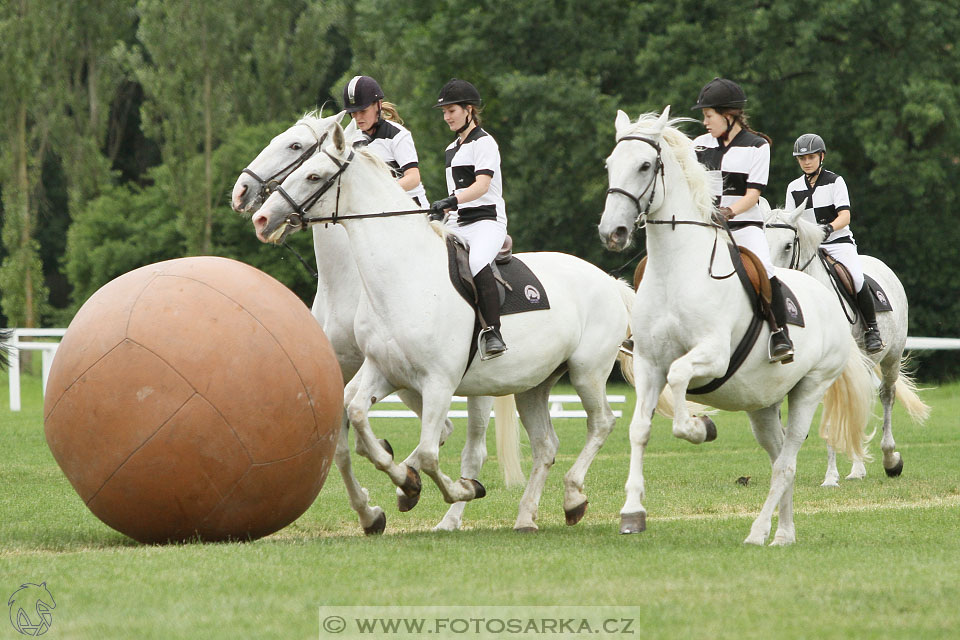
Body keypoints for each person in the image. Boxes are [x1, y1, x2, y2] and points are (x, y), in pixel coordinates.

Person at [691, 77, 795, 363]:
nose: (704, 122)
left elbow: (753, 195)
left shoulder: (758, 146)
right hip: (707, 227)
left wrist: (729, 212)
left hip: (743, 226)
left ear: (728, 115)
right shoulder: (699, 145)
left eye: (708, 115)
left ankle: (779, 333)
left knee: (765, 269)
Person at [429, 78, 508, 358]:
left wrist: (451, 200)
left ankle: (492, 331)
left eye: (451, 111)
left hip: (487, 221)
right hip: (458, 222)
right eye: (444, 112)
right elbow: (455, 194)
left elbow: (481, 186)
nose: (446, 117)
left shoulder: (485, 143)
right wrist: (440, 210)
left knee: (475, 261)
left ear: (469, 110)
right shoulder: (451, 150)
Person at [786, 133, 884, 353]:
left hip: (838, 242)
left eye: (811, 157)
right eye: (802, 158)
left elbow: (845, 216)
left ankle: (872, 329)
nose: (807, 162)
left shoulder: (835, 181)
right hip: (809, 248)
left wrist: (828, 228)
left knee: (857, 278)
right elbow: (793, 220)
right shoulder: (793, 187)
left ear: (822, 156)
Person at [342, 75, 428, 206]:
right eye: (353, 112)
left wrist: (379, 193)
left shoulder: (398, 135)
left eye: (363, 111)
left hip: (410, 208)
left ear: (378, 105)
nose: (358, 118)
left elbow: (413, 178)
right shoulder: (351, 138)